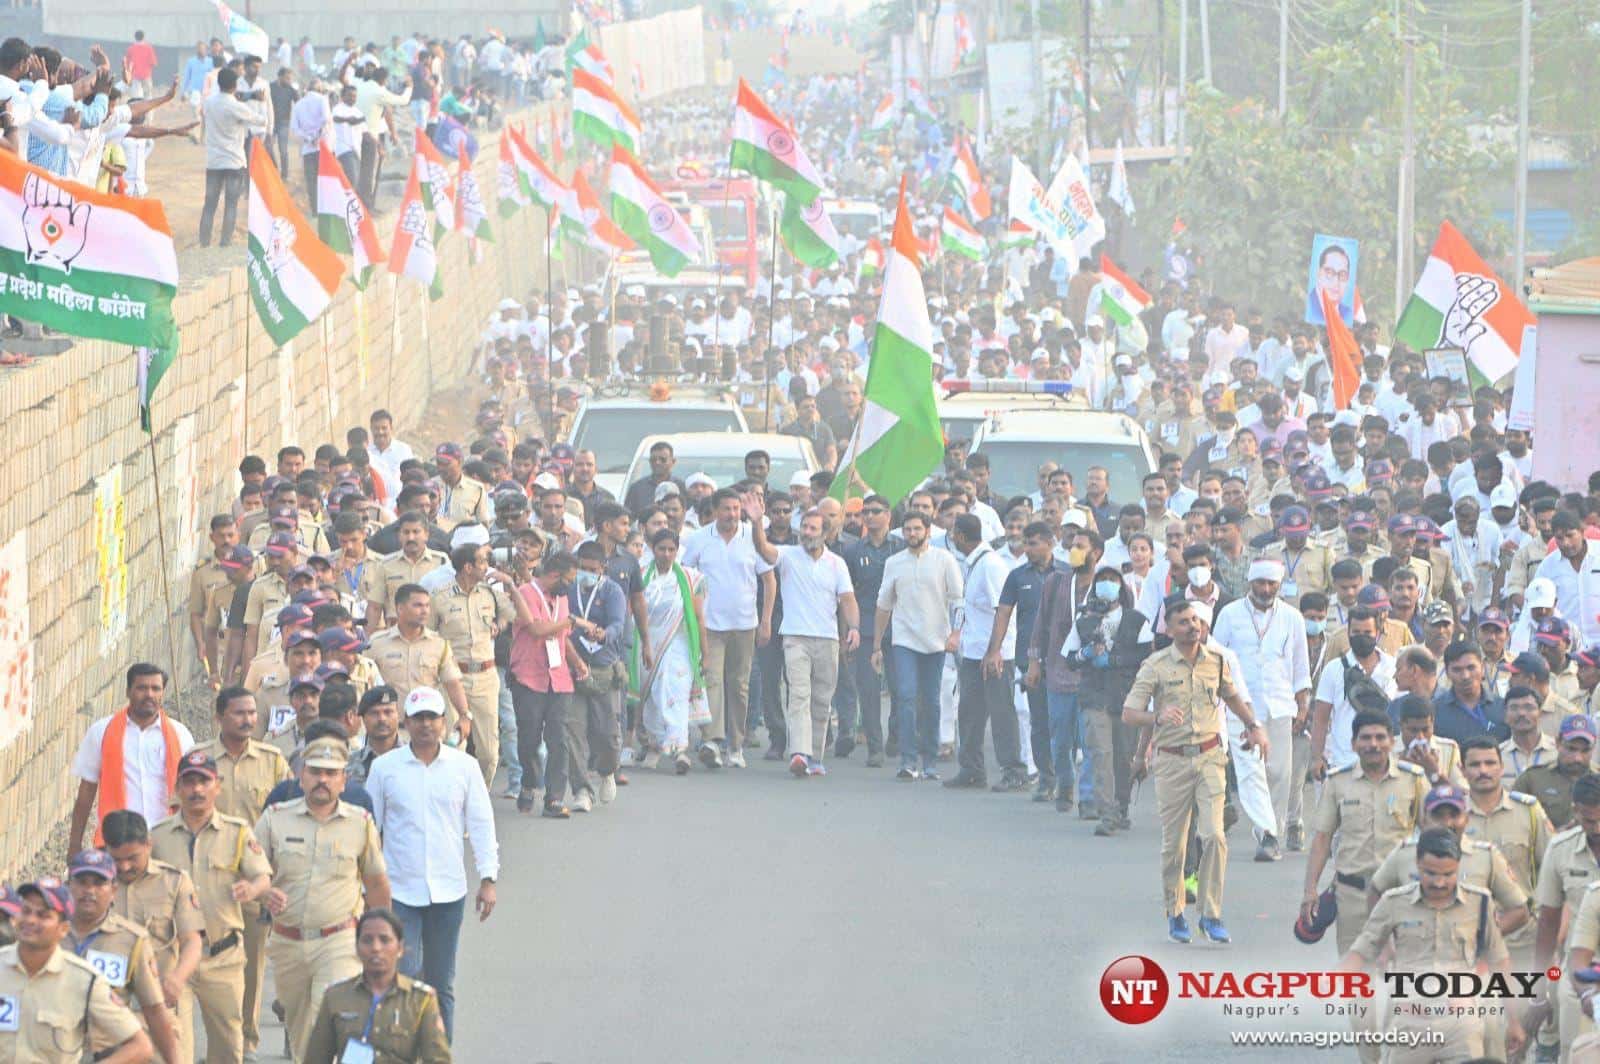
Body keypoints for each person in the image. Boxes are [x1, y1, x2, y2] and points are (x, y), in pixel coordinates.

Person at [1122, 599, 1270, 943]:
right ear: (1170, 630)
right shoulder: (1155, 666)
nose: (1193, 626)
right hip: (1172, 761)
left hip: (1210, 756)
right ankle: (1175, 911)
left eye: (1195, 620)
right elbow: (1130, 713)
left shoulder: (1216, 661)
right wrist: (1155, 718)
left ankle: (1210, 913)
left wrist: (1253, 726)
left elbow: (1233, 697)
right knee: (1175, 844)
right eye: (1184, 622)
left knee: (1214, 836)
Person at [366, 687, 498, 1040]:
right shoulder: (384, 769)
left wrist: (488, 878)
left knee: (441, 984)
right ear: (406, 723)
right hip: (399, 894)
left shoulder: (465, 767)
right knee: (402, 981)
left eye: (432, 718)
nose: (425, 724)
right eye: (418, 718)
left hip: (448, 892)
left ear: (444, 722)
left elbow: (482, 824)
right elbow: (367, 832)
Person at [255, 734, 391, 1060]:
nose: (322, 780)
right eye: (315, 771)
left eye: (332, 773)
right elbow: (253, 873)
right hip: (288, 945)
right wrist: (263, 892)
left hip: (339, 939)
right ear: (301, 776)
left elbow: (376, 883)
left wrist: (384, 941)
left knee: (334, 1018)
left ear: (344, 781)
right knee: (304, 1041)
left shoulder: (360, 824)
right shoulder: (274, 818)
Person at [1342, 828, 1520, 1061]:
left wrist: (1514, 1021)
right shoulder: (1393, 902)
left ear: (1458, 866)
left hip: (1461, 1025)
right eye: (1430, 873)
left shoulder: (1480, 902)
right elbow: (1362, 949)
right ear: (1417, 864)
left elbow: (1500, 961)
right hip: (1409, 1025)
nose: (1439, 882)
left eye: (1448, 874)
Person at [150, 750, 273, 1064]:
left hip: (223, 958)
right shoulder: (159, 836)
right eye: (189, 782)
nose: (197, 790)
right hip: (175, 960)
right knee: (176, 1048)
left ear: (217, 786)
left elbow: (263, 878)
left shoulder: (237, 832)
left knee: (228, 1048)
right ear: (178, 788)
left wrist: (252, 888)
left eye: (204, 782)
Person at [188, 686, 288, 1059]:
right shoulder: (198, 760)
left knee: (251, 966)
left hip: (254, 879)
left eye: (251, 713)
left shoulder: (273, 760)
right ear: (219, 717)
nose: (248, 720)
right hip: (206, 881)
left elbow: (287, 812)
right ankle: (213, 1041)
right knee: (201, 963)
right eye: (239, 713)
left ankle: (244, 1042)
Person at [744, 491, 860, 778]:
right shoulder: (788, 556)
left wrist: (854, 628)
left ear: (826, 534)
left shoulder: (837, 564)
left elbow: (847, 600)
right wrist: (758, 522)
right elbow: (764, 549)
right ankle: (799, 753)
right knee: (798, 695)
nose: (806, 533)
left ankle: (815, 757)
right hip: (795, 637)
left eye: (812, 529)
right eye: (804, 528)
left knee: (821, 701)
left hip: (828, 640)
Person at [1303, 710, 1429, 958]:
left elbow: (1433, 834)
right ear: (1353, 744)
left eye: (1380, 737)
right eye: (1366, 738)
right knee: (1358, 982)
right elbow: (1322, 840)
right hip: (1352, 895)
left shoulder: (1413, 779)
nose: (1373, 744)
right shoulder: (1338, 781)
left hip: (1402, 893)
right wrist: (1310, 890)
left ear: (1392, 742)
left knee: (1406, 982)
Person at [1210, 558, 1311, 861]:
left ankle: (1274, 828)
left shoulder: (1292, 617)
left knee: (1279, 771)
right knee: (1251, 772)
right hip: (1241, 705)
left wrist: (1302, 703)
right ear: (1250, 583)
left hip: (1280, 703)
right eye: (1260, 584)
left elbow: (1300, 664)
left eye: (1271, 584)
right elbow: (1215, 658)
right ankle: (1268, 835)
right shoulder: (1229, 614)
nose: (1266, 589)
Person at [0, 878, 153, 1063]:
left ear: (63, 929)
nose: (31, 920)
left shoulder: (84, 981)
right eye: (26, 911)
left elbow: (140, 1046)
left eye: (43, 915)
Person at [680, 489, 774, 768]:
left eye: (735, 509)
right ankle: (712, 740)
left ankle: (736, 745)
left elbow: (769, 579)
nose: (731, 514)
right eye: (726, 509)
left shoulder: (750, 536)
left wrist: (766, 620)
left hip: (745, 623)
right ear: (715, 510)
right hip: (709, 624)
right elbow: (686, 578)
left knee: (739, 686)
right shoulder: (699, 539)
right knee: (710, 679)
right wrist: (689, 616)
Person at [102, 811, 205, 1064]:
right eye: (117, 859)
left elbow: (192, 940)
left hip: (159, 1008)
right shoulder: (91, 886)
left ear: (149, 844)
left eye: (132, 858)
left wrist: (177, 979)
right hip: (105, 1013)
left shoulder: (174, 882)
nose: (124, 867)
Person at [62, 849, 180, 1063]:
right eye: (82, 882)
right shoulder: (50, 935)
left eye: (99, 883)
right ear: (69, 885)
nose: (89, 890)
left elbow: (154, 1010)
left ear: (113, 890)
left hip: (109, 1054)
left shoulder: (131, 940)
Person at [69, 663, 195, 854]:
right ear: (128, 691)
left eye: (156, 689)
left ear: (163, 692)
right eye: (142, 688)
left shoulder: (180, 735)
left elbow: (194, 789)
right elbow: (86, 791)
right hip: (116, 842)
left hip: (167, 841)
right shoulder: (101, 732)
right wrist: (74, 844)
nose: (149, 694)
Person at [874, 511, 963, 781]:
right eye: (907, 530)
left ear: (927, 530)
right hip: (904, 641)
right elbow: (883, 605)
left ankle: (930, 761)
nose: (912, 534)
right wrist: (876, 645)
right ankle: (908, 760)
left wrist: (955, 634)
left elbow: (958, 599)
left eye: (916, 529)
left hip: (937, 641)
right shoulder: (894, 563)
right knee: (906, 697)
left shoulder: (944, 559)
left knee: (932, 701)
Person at [302, 909, 452, 1064]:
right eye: (367, 940)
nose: (376, 948)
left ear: (400, 948)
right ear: (357, 948)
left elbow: (438, 1060)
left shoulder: (420, 1000)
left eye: (385, 940)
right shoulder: (335, 997)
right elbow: (316, 1059)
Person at [946, 513, 1028, 791]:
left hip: (994, 653)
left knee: (1002, 712)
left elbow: (1002, 611)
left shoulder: (990, 565)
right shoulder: (975, 563)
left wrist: (994, 652)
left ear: (959, 535)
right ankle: (971, 769)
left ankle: (1014, 770)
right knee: (969, 712)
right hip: (973, 651)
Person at [427, 543, 516, 786]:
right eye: (482, 562)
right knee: (454, 745)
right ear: (468, 567)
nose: (487, 567)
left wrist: (509, 585)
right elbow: (429, 636)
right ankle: (454, 802)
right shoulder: (439, 598)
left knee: (489, 752)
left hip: (486, 677)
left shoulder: (490, 593)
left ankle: (479, 795)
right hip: (454, 679)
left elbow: (518, 614)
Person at [507, 552, 587, 817]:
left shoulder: (561, 598)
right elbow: (538, 630)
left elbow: (561, 636)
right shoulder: (526, 593)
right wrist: (572, 621)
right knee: (529, 737)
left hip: (559, 677)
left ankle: (554, 798)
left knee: (558, 739)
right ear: (554, 575)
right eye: (568, 580)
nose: (570, 586)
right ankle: (529, 783)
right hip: (529, 677)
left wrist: (576, 662)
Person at [634, 529, 708, 775]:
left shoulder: (690, 578)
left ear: (678, 551)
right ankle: (656, 744)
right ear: (652, 549)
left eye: (671, 550)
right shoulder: (641, 576)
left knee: (673, 687)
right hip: (647, 641)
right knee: (653, 695)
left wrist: (704, 652)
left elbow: (698, 617)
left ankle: (680, 749)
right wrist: (644, 642)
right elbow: (633, 612)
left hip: (678, 642)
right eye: (661, 549)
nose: (666, 554)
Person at [566, 542, 627, 806]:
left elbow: (617, 623)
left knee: (607, 734)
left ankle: (607, 771)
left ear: (603, 568)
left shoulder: (613, 591)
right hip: (572, 667)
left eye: (593, 569)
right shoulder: (568, 589)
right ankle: (581, 790)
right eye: (582, 568)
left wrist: (604, 634)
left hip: (603, 667)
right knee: (573, 732)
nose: (587, 573)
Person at [199, 66, 269, 247]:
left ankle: (204, 243)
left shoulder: (208, 103)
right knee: (231, 204)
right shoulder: (236, 106)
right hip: (234, 161)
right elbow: (261, 121)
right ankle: (225, 242)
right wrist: (260, 101)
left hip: (214, 161)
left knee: (209, 205)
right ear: (235, 85)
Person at [1514, 714, 1597, 830]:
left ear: (1593, 748)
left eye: (1585, 751)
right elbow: (1515, 825)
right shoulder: (1532, 780)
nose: (1577, 758)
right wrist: (1553, 837)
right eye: (1571, 749)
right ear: (1557, 743)